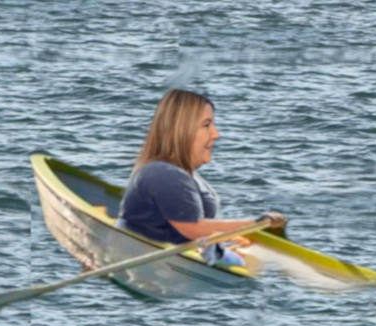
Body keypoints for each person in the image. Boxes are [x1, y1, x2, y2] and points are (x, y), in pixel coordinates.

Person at [117, 89, 286, 265]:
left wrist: (231, 236)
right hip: (149, 257)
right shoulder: (163, 175)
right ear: (182, 131)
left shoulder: (186, 177)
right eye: (206, 125)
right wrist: (255, 224)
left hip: (179, 254)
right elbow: (192, 228)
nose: (215, 134)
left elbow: (196, 231)